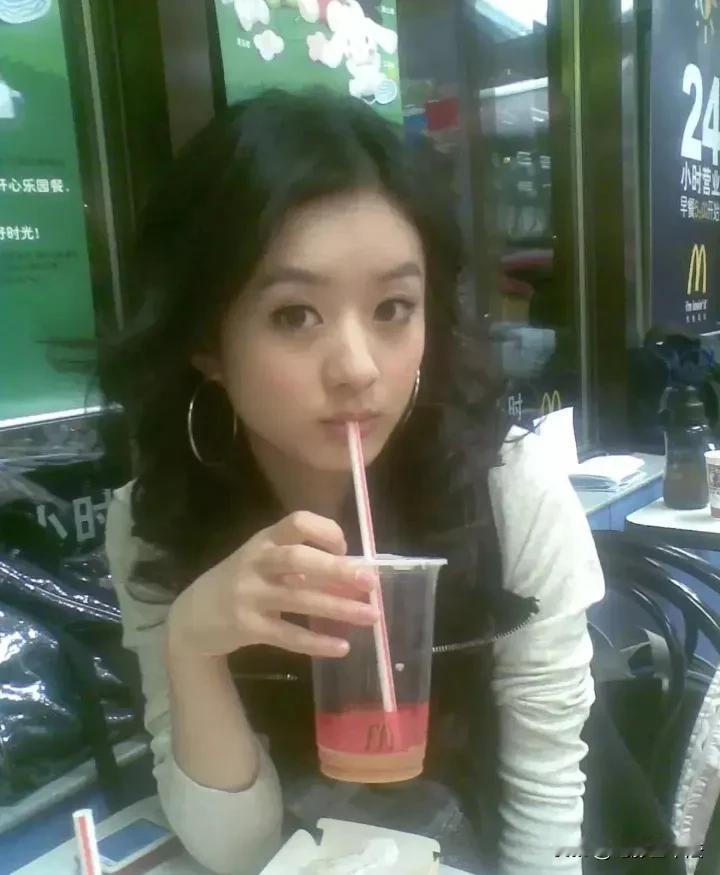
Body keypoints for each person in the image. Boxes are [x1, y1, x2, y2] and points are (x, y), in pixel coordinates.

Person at [103, 88, 604, 875]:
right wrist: (193, 644)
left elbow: (547, 815)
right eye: (294, 315)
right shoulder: (154, 519)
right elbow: (234, 852)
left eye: (393, 307)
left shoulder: (511, 491)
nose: (358, 368)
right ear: (207, 342)